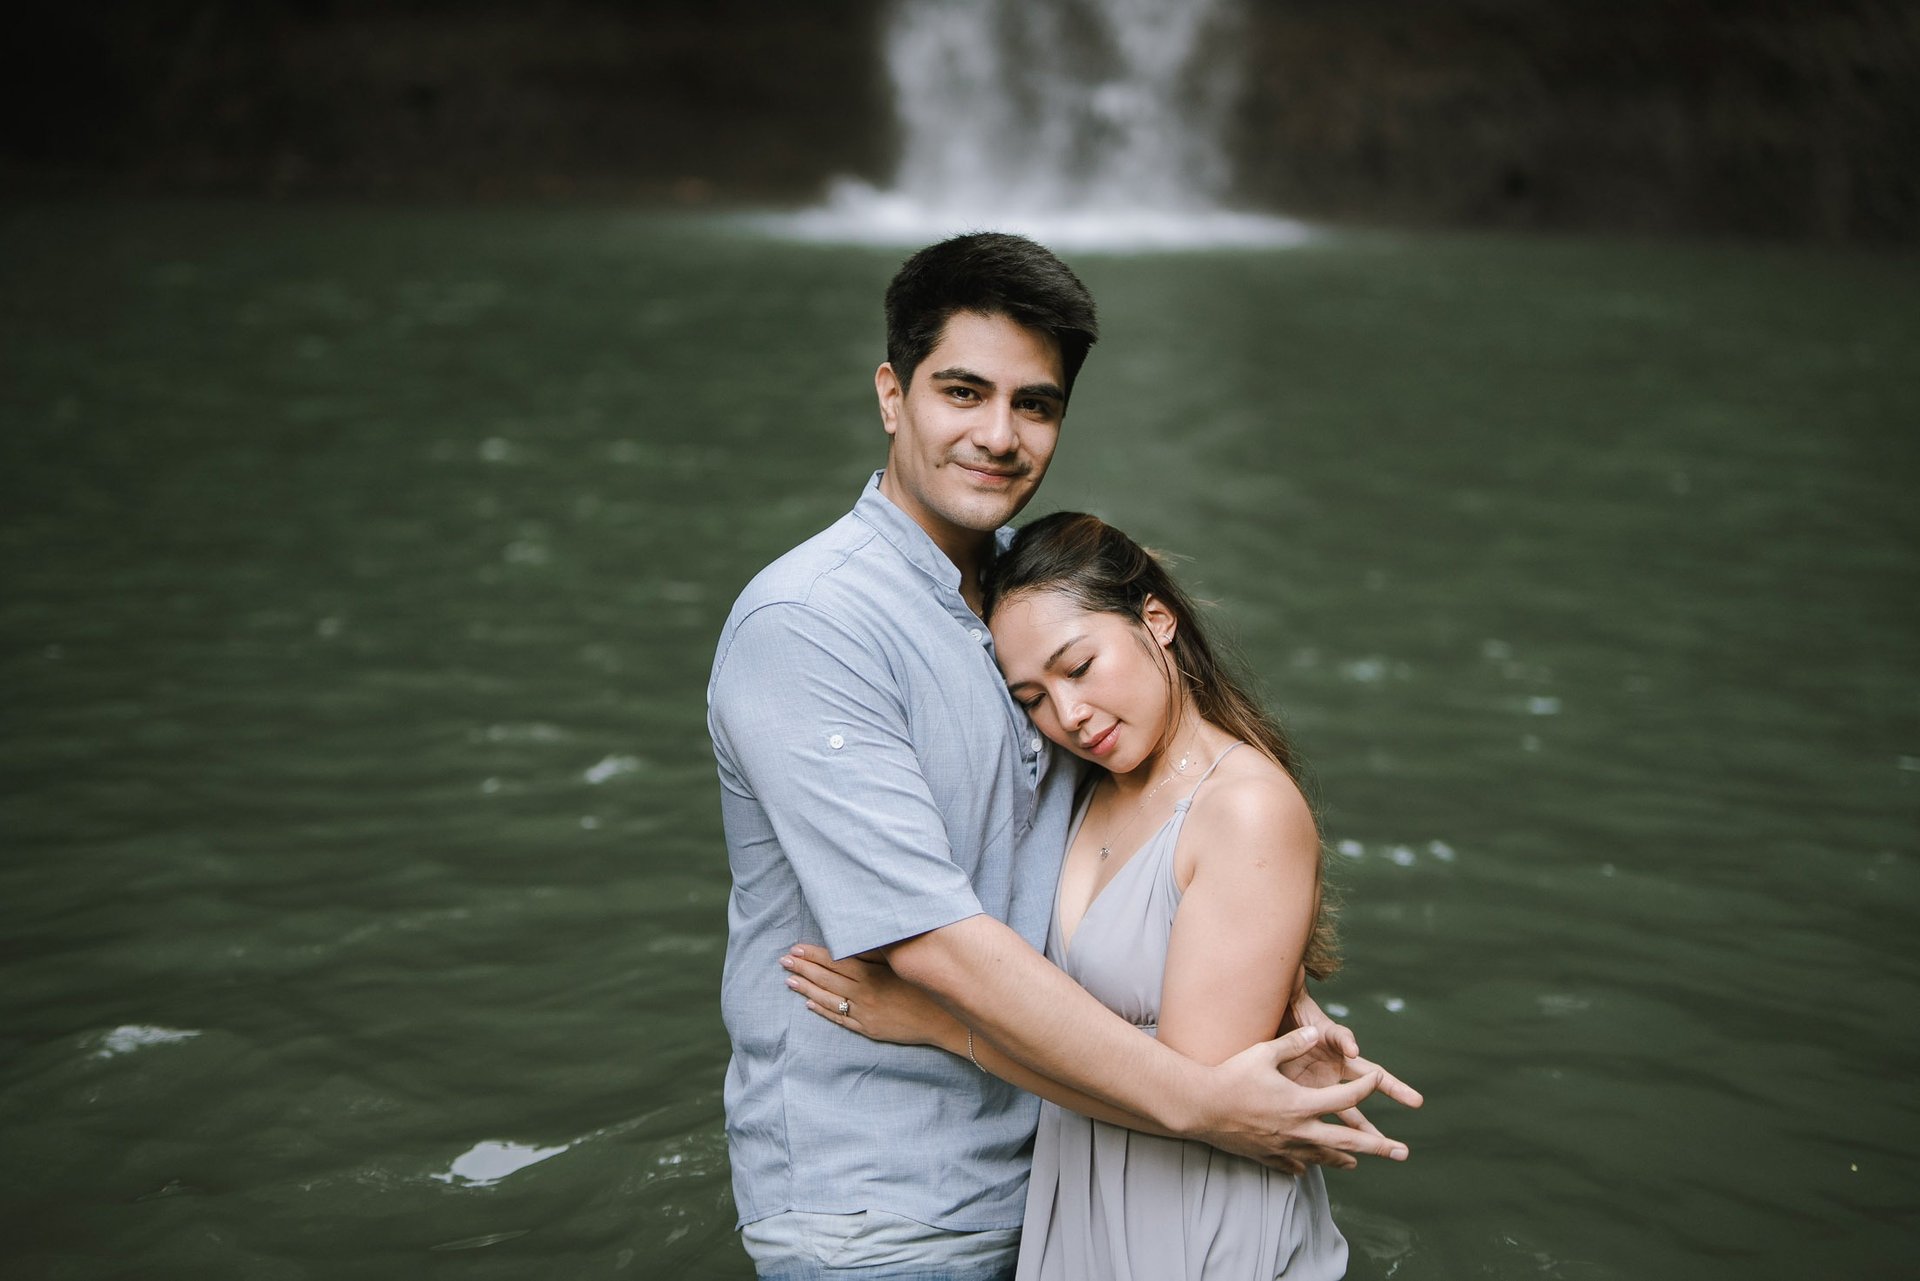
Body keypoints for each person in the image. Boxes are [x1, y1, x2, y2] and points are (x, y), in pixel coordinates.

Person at [707, 232, 1417, 1281]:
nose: (998, 434)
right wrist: (1205, 1100)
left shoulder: (1021, 606)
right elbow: (935, 945)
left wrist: (1259, 989)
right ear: (892, 394)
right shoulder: (812, 624)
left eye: (1033, 404)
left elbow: (1154, 828)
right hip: (890, 1209)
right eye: (962, 392)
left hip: (1061, 1182)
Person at [785, 511, 1353, 1279]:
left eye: (1079, 666)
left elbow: (1197, 1099)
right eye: (1031, 699)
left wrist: (946, 1025)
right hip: (1081, 1203)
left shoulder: (1243, 807)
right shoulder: (1088, 785)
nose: (1069, 716)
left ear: (1157, 619)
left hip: (1197, 1218)